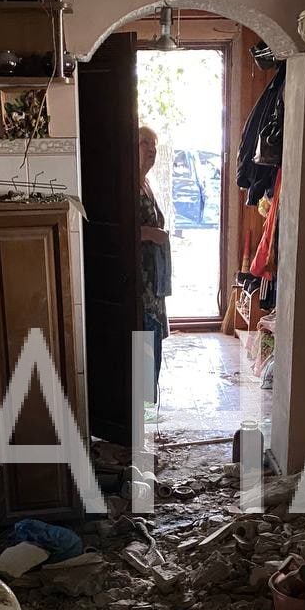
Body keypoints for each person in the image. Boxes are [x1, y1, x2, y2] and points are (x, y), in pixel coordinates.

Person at [139, 125, 171, 410]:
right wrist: (150, 234)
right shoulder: (127, 184)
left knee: (153, 338)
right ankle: (138, 407)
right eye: (144, 144)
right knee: (144, 339)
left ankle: (146, 405)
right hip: (140, 280)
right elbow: (119, 231)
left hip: (153, 279)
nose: (152, 150)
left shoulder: (145, 183)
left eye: (154, 145)